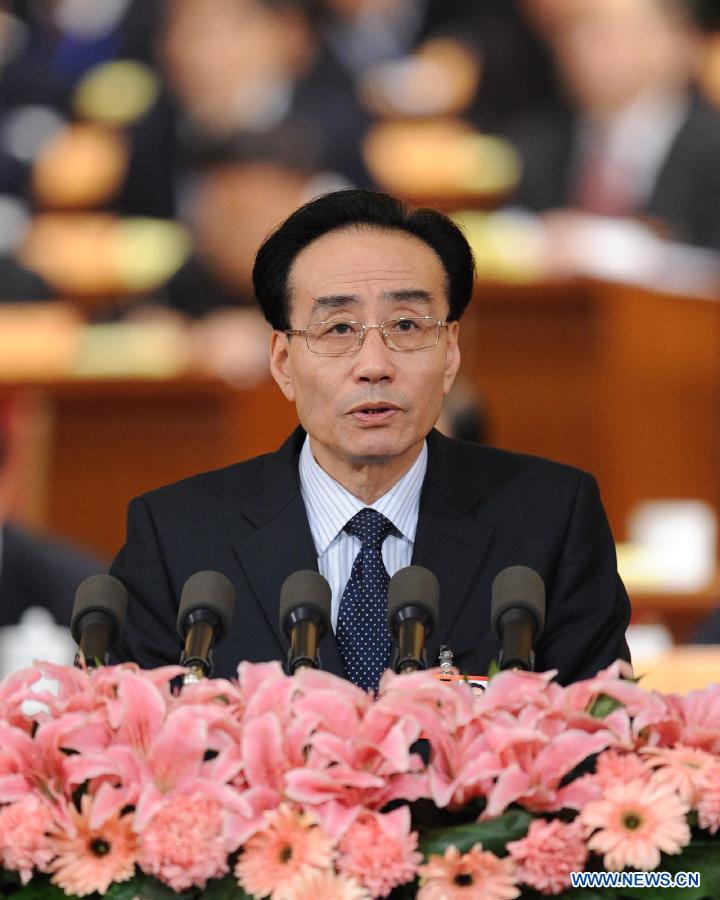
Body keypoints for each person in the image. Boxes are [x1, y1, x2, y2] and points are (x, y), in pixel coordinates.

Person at [110, 189, 631, 687]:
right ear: (283, 362)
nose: (374, 366)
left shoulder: (550, 520)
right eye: (338, 330)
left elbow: (598, 735)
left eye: (407, 326)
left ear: (450, 352)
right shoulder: (176, 539)